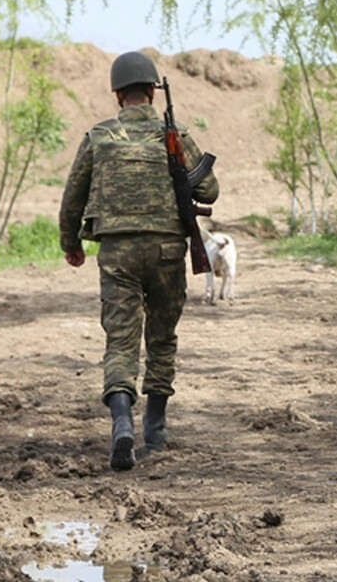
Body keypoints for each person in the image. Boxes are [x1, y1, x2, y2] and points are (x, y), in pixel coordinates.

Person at [59, 51, 219, 472]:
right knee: (162, 337)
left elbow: (72, 197)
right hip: (168, 251)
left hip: (116, 253)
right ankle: (157, 426)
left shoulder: (99, 136)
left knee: (121, 340)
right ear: (152, 90)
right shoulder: (177, 134)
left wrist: (70, 242)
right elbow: (211, 191)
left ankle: (121, 424)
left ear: (117, 94)